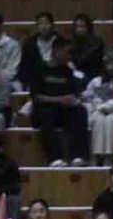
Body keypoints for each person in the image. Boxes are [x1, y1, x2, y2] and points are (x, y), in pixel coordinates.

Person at [30, 37, 88, 168]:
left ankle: (78, 156)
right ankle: (54, 158)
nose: (69, 56)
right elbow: (36, 97)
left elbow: (73, 92)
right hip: (44, 110)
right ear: (56, 50)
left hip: (63, 111)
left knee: (80, 111)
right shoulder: (39, 69)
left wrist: (74, 99)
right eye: (67, 52)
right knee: (46, 114)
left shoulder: (67, 71)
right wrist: (59, 100)